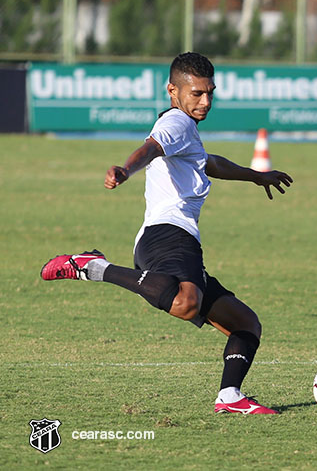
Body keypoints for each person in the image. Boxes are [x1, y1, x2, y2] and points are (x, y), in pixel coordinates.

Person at [41, 52, 293, 414]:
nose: (205, 101)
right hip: (168, 235)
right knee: (186, 301)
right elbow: (151, 149)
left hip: (176, 239)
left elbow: (210, 163)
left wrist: (255, 175)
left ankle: (230, 396)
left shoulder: (188, 129)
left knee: (246, 323)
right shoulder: (176, 122)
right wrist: (126, 170)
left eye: (210, 93)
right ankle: (91, 266)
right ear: (173, 90)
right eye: (197, 94)